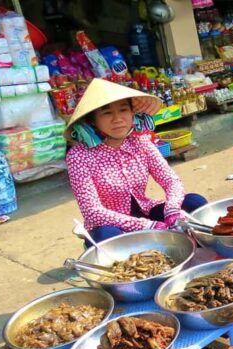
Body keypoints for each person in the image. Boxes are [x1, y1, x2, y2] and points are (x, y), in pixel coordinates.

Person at [64, 79, 207, 243]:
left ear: (132, 114)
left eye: (123, 110)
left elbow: (170, 180)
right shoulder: (78, 156)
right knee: (106, 236)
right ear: (92, 121)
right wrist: (148, 226)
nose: (118, 119)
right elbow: (93, 211)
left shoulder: (140, 142)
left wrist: (172, 210)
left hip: (146, 211)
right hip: (110, 226)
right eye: (107, 113)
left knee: (194, 202)